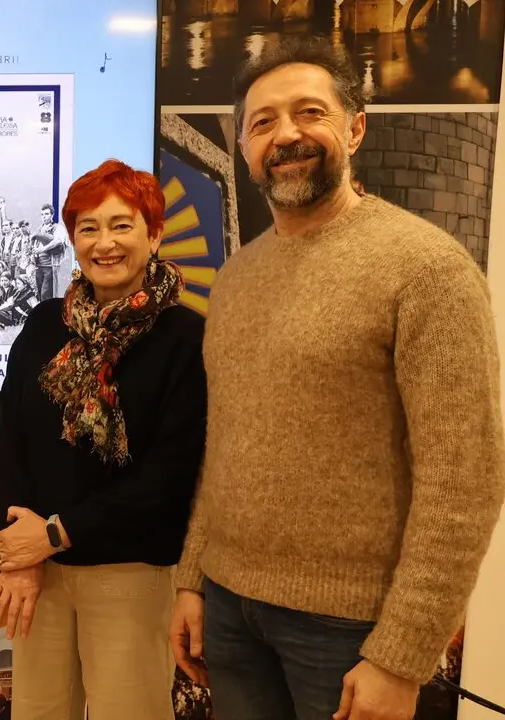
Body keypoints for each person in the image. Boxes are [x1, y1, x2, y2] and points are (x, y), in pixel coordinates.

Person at [169, 38, 505, 720]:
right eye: (263, 123)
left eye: (308, 112)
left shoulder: (426, 270)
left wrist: (402, 654)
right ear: (242, 147)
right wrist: (193, 580)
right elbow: (224, 446)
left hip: (351, 632)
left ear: (354, 126)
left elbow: (464, 480)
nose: (286, 134)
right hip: (232, 613)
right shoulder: (235, 279)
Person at [0, 159, 207, 719]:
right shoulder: (42, 326)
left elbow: (171, 474)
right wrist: (20, 553)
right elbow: (10, 441)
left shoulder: (185, 339)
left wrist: (57, 532)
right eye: (88, 228)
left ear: (154, 235)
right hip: (41, 574)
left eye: (121, 225)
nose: (104, 243)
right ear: (72, 241)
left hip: (130, 573)